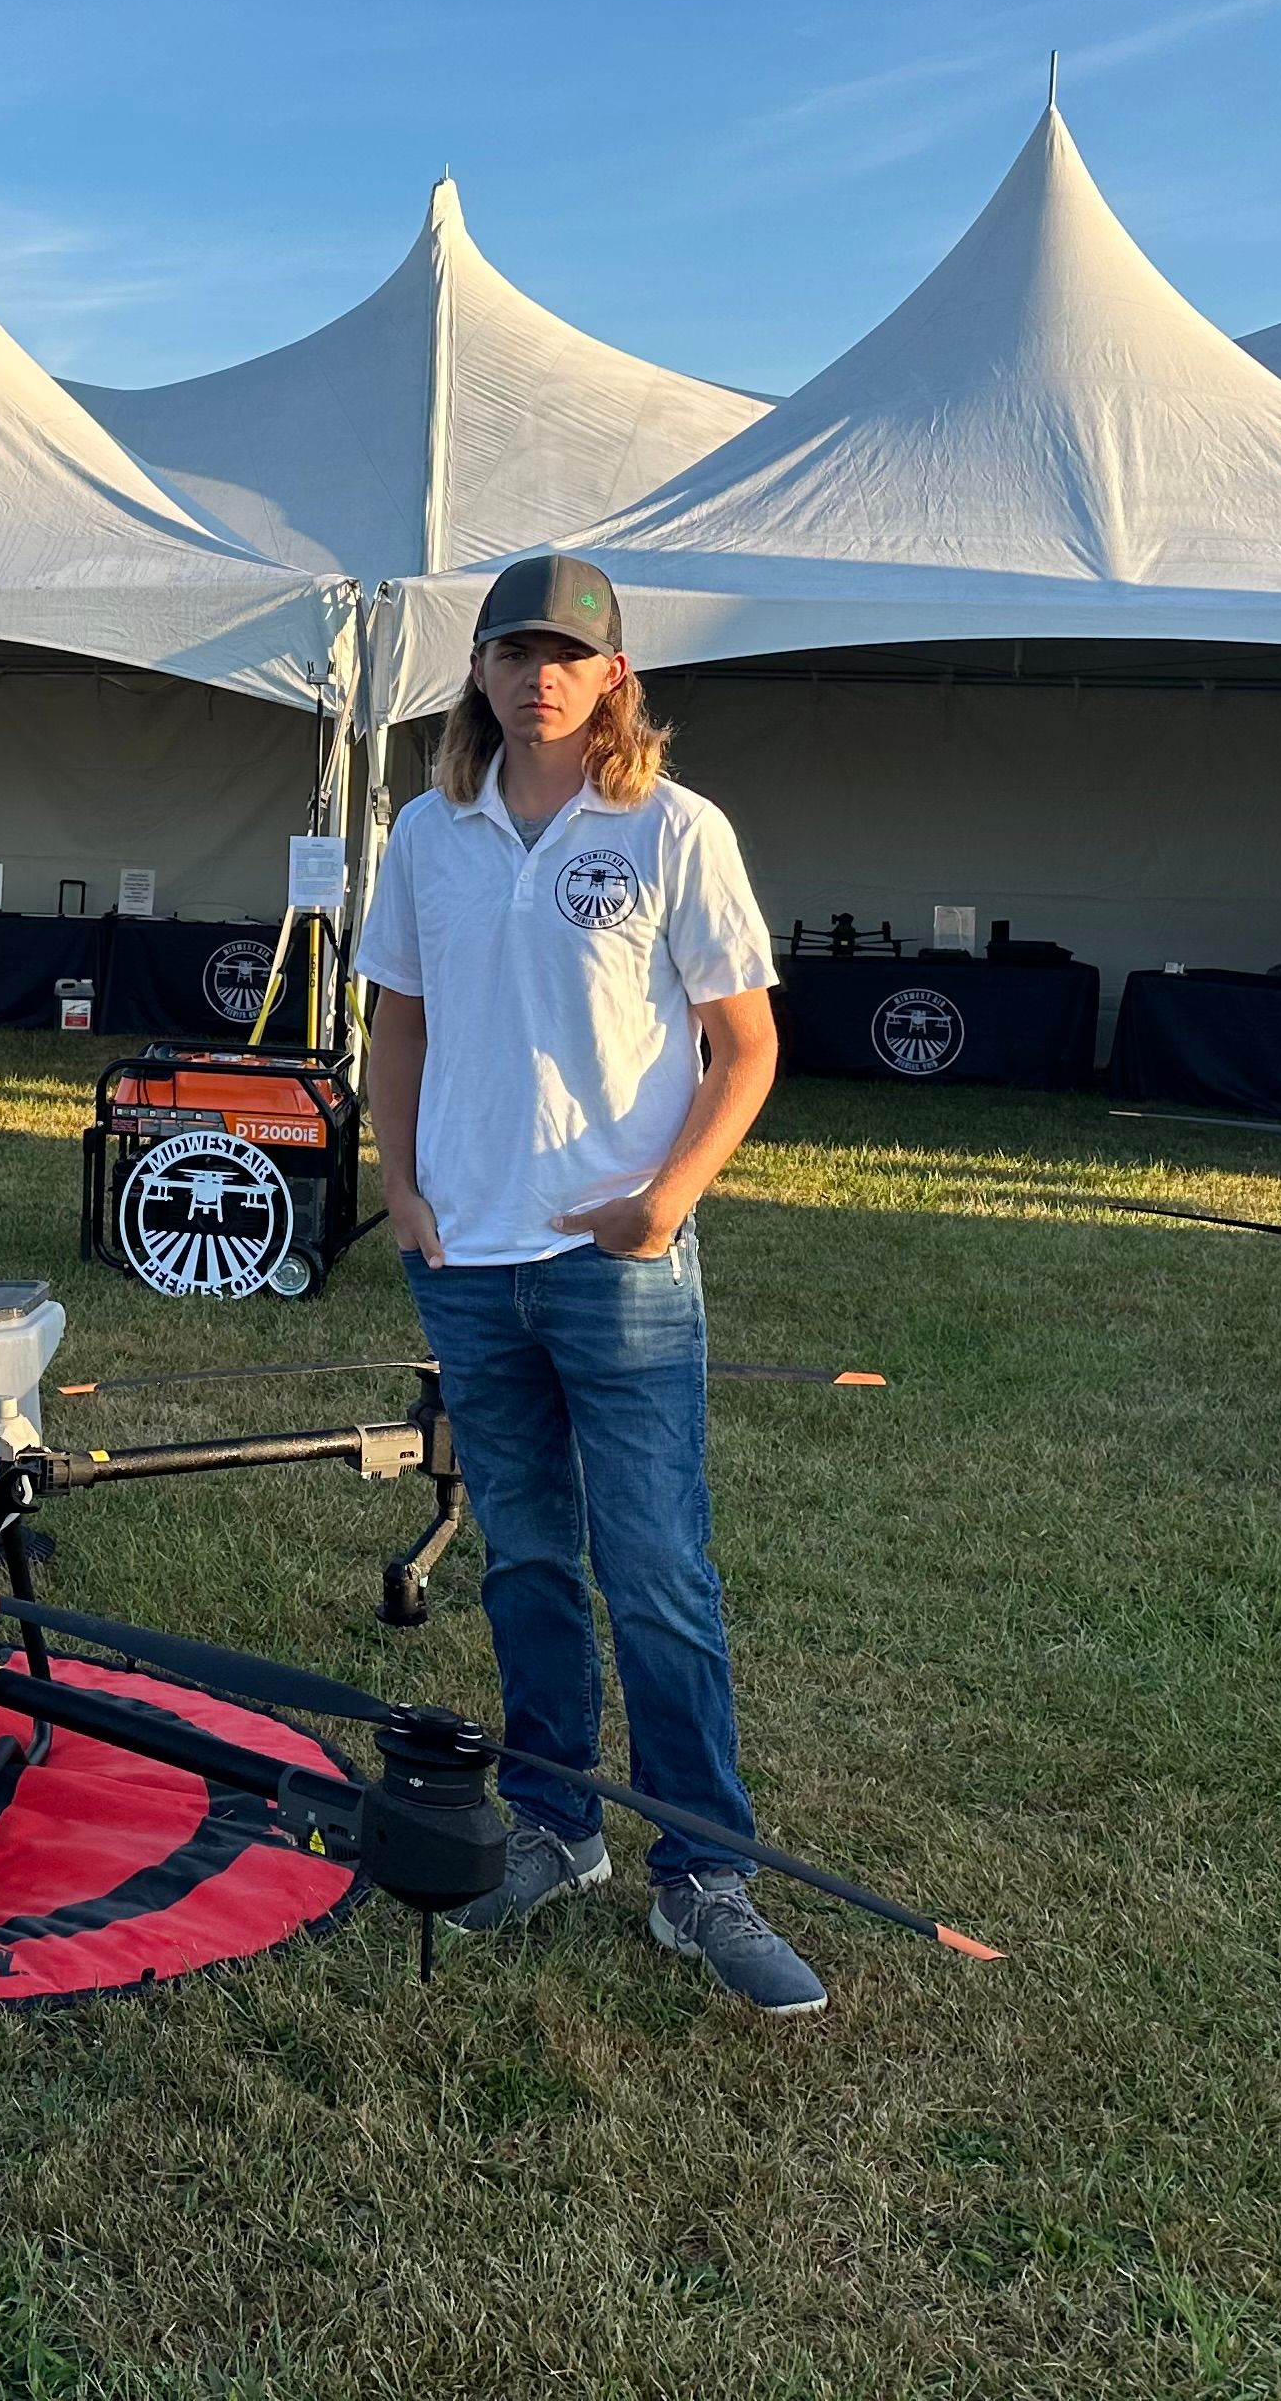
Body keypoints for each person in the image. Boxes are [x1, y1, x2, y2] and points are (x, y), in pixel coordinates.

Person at [352, 552, 822, 2015]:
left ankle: (704, 1874)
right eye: (513, 652)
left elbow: (747, 1046)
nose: (538, 678)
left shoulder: (674, 827)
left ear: (615, 675)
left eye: (567, 655)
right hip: (469, 1262)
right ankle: (556, 1824)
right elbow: (398, 1027)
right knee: (529, 1564)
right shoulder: (427, 834)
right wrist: (402, 1190)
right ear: (478, 670)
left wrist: (663, 1204)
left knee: (658, 1571)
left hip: (618, 1267)